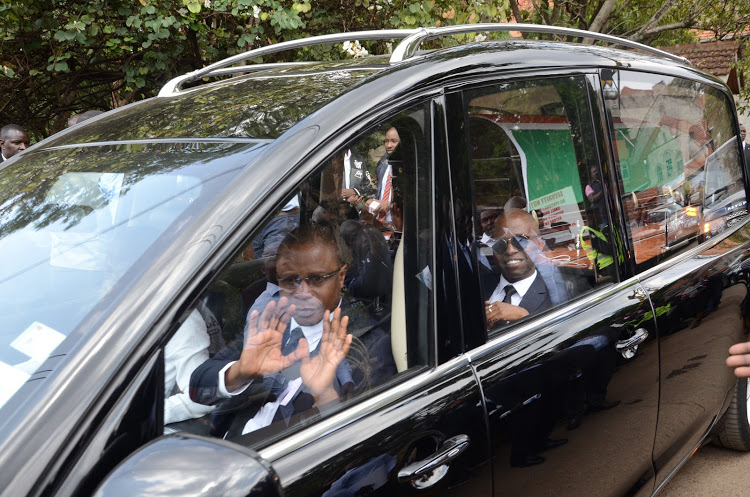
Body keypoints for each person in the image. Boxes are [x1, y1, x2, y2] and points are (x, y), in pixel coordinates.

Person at [189, 224, 396, 436]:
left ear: (341, 277)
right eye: (290, 280)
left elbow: (363, 444)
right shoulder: (272, 325)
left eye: (316, 279)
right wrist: (240, 371)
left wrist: (325, 396)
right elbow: (197, 388)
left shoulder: (371, 343)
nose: (302, 292)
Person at [483, 209, 569, 328]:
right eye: (500, 243)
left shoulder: (556, 292)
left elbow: (564, 337)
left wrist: (525, 318)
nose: (510, 250)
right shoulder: (476, 288)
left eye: (521, 240)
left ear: (539, 244)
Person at [366, 127, 400, 223]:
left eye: (394, 141)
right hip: (380, 225)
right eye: (386, 141)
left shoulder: (411, 167)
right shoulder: (383, 163)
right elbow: (380, 191)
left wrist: (390, 205)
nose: (388, 145)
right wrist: (371, 202)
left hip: (397, 225)